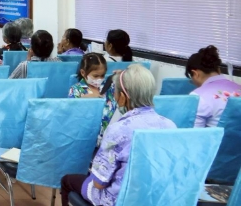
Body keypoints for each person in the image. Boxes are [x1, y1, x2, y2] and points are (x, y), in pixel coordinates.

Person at [60, 65, 175, 206]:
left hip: (119, 200)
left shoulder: (118, 130)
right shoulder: (170, 125)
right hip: (155, 197)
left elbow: (98, 184)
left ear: (122, 98)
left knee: (67, 181)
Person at [186, 45, 241, 127]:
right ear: (219, 70)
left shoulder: (197, 97)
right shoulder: (238, 87)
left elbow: (194, 132)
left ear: (195, 73)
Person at [68, 52, 117, 141]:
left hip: (110, 136)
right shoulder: (76, 90)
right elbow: (71, 114)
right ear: (83, 72)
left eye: (102, 75)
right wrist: (84, 100)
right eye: (95, 76)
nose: (99, 79)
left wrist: (122, 76)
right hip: (87, 137)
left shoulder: (109, 86)